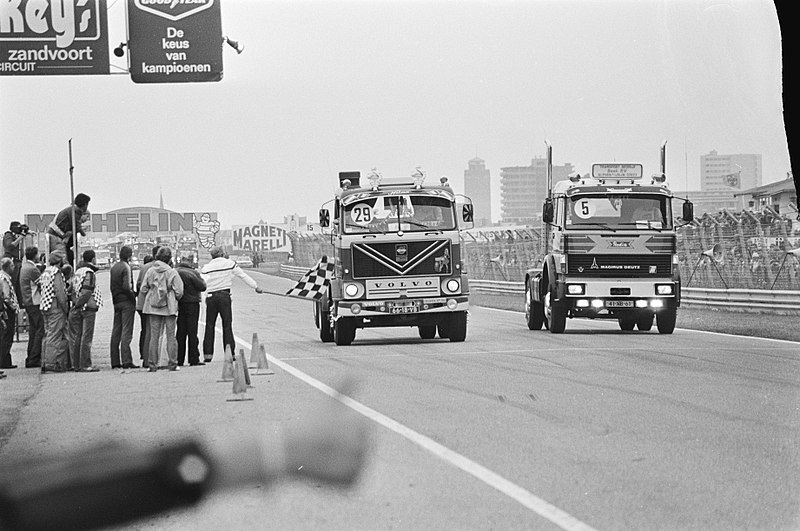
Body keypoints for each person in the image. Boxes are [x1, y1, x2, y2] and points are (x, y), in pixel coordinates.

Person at [201, 246, 262, 362]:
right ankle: (230, 354)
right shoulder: (230, 264)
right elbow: (243, 276)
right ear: (222, 254)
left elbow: (202, 283)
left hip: (211, 297)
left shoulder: (206, 268)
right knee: (227, 326)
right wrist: (255, 286)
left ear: (212, 255)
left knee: (209, 326)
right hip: (224, 296)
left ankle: (207, 355)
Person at [139, 247, 183, 372]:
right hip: (169, 307)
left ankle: (152, 364)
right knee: (170, 336)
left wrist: (153, 292)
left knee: (154, 336)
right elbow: (180, 291)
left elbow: (143, 288)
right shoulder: (172, 272)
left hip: (153, 307)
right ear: (169, 258)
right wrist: (173, 297)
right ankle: (173, 363)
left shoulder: (151, 271)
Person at [68, 249, 102, 372]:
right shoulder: (89, 273)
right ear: (93, 259)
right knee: (86, 337)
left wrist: (75, 302)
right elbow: (87, 291)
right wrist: (79, 303)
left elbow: (71, 290)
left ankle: (75, 364)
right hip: (87, 307)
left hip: (78, 306)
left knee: (77, 336)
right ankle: (85, 364)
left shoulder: (77, 272)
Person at [109, 246, 138, 369]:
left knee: (116, 331)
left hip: (116, 301)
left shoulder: (114, 267)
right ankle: (126, 360)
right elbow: (127, 286)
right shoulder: (126, 267)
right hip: (126, 302)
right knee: (126, 332)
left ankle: (115, 361)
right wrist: (133, 296)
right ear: (129, 256)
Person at [175, 255, 206, 366]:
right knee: (192, 332)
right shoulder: (193, 273)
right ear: (190, 262)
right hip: (192, 303)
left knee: (181, 332)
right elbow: (202, 286)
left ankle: (179, 358)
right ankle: (193, 358)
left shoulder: (175, 271)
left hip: (180, 303)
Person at [47, 193, 90, 267]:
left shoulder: (71, 209)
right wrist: (83, 233)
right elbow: (77, 227)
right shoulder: (75, 211)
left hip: (57, 236)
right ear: (85, 204)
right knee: (63, 261)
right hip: (56, 236)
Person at [19, 246, 44, 368]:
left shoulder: (24, 267)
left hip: (28, 302)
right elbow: (41, 283)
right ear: (35, 255)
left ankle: (30, 357)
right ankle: (34, 358)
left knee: (33, 330)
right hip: (34, 301)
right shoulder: (32, 269)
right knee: (40, 329)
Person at [136, 247, 160, 366]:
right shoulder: (158, 268)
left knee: (146, 331)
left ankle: (145, 357)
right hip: (154, 304)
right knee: (153, 332)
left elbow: (139, 285)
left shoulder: (144, 267)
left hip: (142, 304)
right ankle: (152, 359)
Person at [0, 257, 19, 369]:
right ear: (7, 267)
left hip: (5, 308)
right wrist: (13, 307)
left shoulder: (3, 276)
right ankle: (5, 361)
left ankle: (5, 359)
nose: (14, 267)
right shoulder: (5, 279)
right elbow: (6, 296)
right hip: (7, 310)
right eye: (12, 266)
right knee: (7, 335)